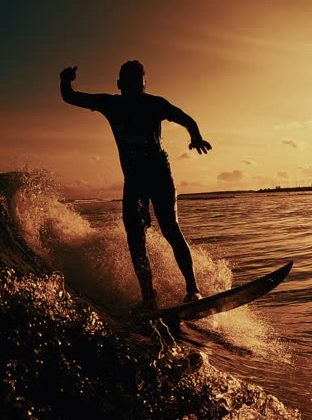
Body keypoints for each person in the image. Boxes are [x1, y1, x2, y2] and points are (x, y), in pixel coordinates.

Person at [59, 61, 212, 311]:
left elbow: (186, 119)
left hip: (160, 175)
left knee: (170, 229)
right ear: (119, 84)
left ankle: (193, 289)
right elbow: (70, 97)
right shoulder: (110, 104)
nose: (134, 85)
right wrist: (65, 80)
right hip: (134, 181)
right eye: (128, 81)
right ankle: (148, 297)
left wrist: (195, 136)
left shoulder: (155, 104)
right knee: (135, 238)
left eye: (138, 80)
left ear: (144, 83)